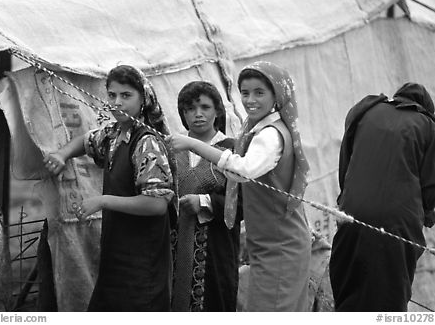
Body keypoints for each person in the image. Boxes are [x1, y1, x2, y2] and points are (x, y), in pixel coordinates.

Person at [171, 61, 311, 311]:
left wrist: (195, 146)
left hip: (277, 243)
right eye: (244, 93)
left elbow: (243, 171)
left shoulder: (267, 136)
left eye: (259, 92)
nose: (250, 100)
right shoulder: (255, 131)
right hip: (266, 242)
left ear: (276, 94)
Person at [43, 64, 176, 312]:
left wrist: (103, 201)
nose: (117, 103)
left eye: (126, 96)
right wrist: (62, 154)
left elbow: (157, 204)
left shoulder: (146, 142)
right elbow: (86, 141)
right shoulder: (114, 135)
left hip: (142, 257)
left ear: (143, 99)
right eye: (112, 95)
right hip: (117, 252)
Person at [329, 83, 435, 312]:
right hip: (396, 223)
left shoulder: (367, 110)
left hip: (352, 213)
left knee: (349, 286)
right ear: (426, 108)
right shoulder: (429, 126)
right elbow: (432, 185)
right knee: (389, 298)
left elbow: (346, 162)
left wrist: (347, 198)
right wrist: (428, 214)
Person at [171, 81, 240, 312]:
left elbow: (243, 203)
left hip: (215, 248)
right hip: (172, 246)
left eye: (205, 107)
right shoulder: (173, 148)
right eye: (190, 108)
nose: (197, 114)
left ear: (218, 110)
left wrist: (203, 202)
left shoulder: (232, 150)